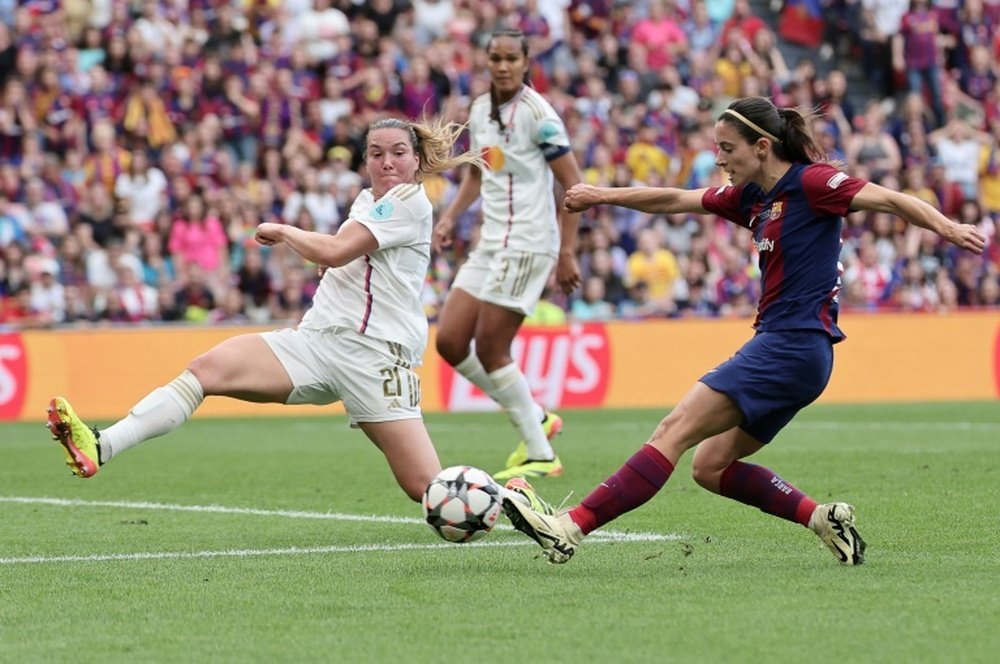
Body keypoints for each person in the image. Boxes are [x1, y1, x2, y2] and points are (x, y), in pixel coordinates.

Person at [501, 96, 986, 565]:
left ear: (761, 147)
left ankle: (569, 528)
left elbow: (892, 199)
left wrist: (946, 228)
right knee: (709, 468)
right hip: (798, 354)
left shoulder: (814, 183)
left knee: (672, 431)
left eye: (727, 149)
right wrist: (603, 195)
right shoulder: (753, 197)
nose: (719, 159)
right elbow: (674, 198)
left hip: (791, 345)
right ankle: (821, 519)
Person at [45, 116, 485, 504]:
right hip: (317, 344)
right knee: (207, 369)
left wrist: (283, 230)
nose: (387, 162)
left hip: (373, 356)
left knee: (429, 489)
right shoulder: (369, 201)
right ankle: (103, 445)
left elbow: (334, 251)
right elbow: (347, 259)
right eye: (377, 154)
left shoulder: (408, 201)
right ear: (366, 161)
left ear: (416, 161)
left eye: (398, 153)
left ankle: (520, 505)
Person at [431, 29, 584, 482]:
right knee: (450, 342)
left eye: (510, 58)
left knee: (491, 347)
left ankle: (540, 451)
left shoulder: (541, 116)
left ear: (525, 62)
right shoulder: (480, 110)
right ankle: (535, 414)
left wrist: (568, 251)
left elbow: (573, 187)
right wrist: (450, 217)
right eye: (495, 57)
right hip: (492, 241)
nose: (502, 65)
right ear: (487, 60)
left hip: (529, 242)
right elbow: (480, 173)